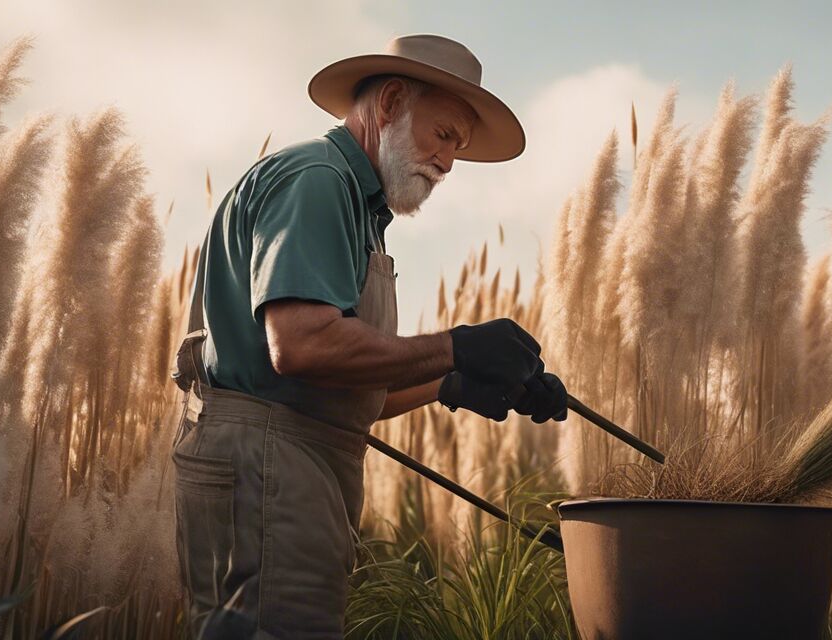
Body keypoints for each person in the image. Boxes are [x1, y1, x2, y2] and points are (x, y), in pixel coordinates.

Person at [168, 33, 567, 638]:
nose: (448, 162)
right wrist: (457, 345)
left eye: (457, 146)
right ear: (391, 103)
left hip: (296, 463)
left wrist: (455, 383)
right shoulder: (317, 180)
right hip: (267, 464)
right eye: (443, 135)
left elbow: (346, 390)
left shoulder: (360, 206)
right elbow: (301, 345)